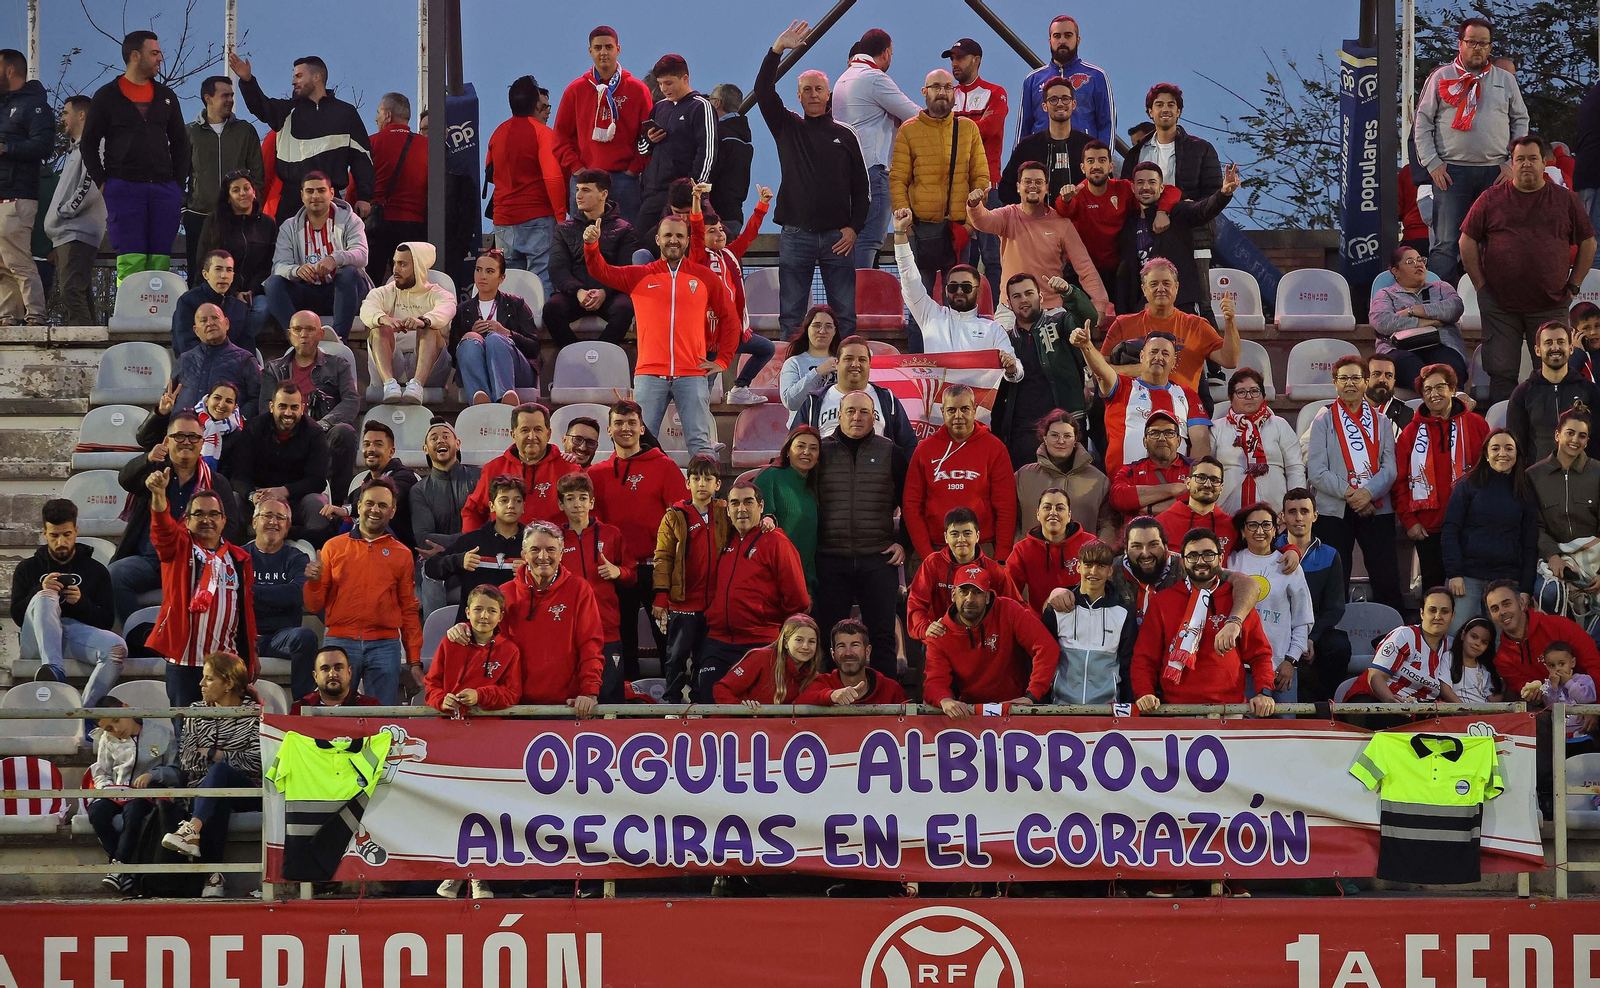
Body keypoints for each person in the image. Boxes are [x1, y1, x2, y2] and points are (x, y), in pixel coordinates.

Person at [582, 214, 740, 456]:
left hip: (692, 373)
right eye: (668, 235)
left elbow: (730, 319)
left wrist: (723, 360)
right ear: (657, 239)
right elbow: (599, 270)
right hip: (649, 373)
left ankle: (708, 495)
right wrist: (592, 246)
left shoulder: (705, 277)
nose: (673, 240)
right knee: (639, 445)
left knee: (700, 445)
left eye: (679, 236)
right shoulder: (640, 275)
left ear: (688, 241)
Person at [1462, 133, 1596, 402]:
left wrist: (1574, 285)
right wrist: (1481, 287)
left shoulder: (1565, 199)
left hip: (1550, 303)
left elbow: (1589, 242)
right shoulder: (1491, 199)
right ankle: (1503, 436)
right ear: (1511, 163)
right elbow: (1467, 240)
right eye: (1519, 159)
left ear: (1544, 162)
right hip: (1499, 306)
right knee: (1501, 374)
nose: (1526, 164)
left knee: (1553, 372)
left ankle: (1549, 436)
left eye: (1532, 158)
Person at [755, 24, 868, 334]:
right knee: (791, 317)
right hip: (796, 235)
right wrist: (776, 50)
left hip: (838, 240)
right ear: (799, 96)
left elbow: (863, 190)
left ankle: (845, 372)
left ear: (828, 94)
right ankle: (792, 374)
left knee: (844, 316)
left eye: (819, 88)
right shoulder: (787, 126)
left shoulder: (846, 135)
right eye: (807, 89)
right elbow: (763, 92)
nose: (813, 94)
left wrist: (854, 228)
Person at [1415, 18, 1529, 283]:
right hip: (1452, 173)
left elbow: (1521, 120)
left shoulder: (1505, 80)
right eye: (1472, 42)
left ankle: (1494, 305)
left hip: (1496, 173)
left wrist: (1512, 162)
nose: (1477, 48)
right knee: (1446, 244)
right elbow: (1422, 121)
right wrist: (1432, 163)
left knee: (1498, 242)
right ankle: (1441, 307)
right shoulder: (1441, 77)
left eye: (1483, 43)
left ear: (1490, 47)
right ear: (1460, 44)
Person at [1131, 528, 1276, 728]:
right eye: (1192, 555)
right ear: (1182, 561)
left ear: (1221, 557)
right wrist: (1144, 692)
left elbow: (1260, 653)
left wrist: (1263, 692)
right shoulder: (1163, 601)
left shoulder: (1238, 601)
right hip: (1176, 713)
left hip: (1230, 712)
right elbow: (1145, 656)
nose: (1200, 561)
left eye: (1208, 554)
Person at [109, 411, 242, 624]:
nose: (186, 442)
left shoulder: (217, 482)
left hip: (195, 561)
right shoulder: (153, 472)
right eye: (179, 436)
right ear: (167, 441)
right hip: (150, 559)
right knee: (114, 575)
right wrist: (148, 458)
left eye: (193, 437)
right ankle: (139, 634)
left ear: (201, 443)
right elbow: (125, 479)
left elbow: (231, 528)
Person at [813, 392, 911, 679]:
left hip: (877, 558)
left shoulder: (892, 452)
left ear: (874, 416)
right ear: (839, 415)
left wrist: (904, 543)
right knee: (831, 636)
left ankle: (886, 702)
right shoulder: (820, 451)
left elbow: (912, 502)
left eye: (864, 412)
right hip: (830, 559)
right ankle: (832, 701)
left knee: (881, 637)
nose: (857, 417)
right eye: (851, 411)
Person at [304, 478, 423, 705]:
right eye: (369, 503)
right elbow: (314, 606)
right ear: (359, 506)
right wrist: (314, 582)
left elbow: (408, 609)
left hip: (384, 644)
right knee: (334, 718)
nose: (375, 510)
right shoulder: (333, 547)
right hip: (340, 640)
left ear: (393, 511)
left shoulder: (402, 554)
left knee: (381, 718)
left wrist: (415, 661)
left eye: (382, 505)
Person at [81, 32, 188, 281]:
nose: (160, 58)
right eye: (154, 53)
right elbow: (88, 143)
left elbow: (181, 143)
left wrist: (177, 185)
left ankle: (157, 315)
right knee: (131, 259)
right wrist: (104, 182)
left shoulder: (167, 96)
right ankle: (129, 316)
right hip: (123, 188)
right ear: (135, 56)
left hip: (164, 189)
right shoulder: (107, 96)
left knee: (160, 259)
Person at [145, 469, 258, 707]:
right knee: (185, 735)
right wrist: (158, 495)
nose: (207, 519)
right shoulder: (178, 547)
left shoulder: (239, 559)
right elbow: (162, 531)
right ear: (187, 520)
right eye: (199, 514)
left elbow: (244, 612)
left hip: (225, 664)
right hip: (184, 661)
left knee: (226, 732)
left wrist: (251, 656)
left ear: (224, 520)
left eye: (214, 514)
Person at [473, 521, 604, 714]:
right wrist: (466, 630)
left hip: (567, 707)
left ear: (561, 553)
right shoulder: (506, 593)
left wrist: (590, 691)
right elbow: (486, 641)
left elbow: (590, 644)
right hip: (514, 707)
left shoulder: (579, 589)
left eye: (550, 549)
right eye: (535, 549)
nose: (543, 557)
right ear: (524, 554)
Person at [697, 481, 810, 702]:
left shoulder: (777, 542)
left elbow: (799, 600)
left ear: (761, 506)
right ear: (727, 509)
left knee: (757, 711)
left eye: (748, 502)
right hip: (717, 641)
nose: (741, 509)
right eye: (735, 503)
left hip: (761, 643)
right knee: (709, 703)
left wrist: (769, 626)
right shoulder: (722, 538)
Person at [1305, 354, 1403, 610]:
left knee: (1386, 578)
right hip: (1333, 511)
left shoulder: (1382, 422)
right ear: (1334, 382)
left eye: (1356, 378)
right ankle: (1329, 638)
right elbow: (1316, 471)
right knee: (1334, 577)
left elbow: (1390, 468)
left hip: (1377, 508)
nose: (1350, 383)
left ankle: (1393, 636)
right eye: (1343, 378)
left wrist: (1368, 493)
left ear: (1366, 381)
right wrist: (1353, 495)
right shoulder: (1323, 420)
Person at [162, 653, 262, 901]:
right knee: (217, 794)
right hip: (207, 792)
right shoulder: (196, 711)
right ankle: (213, 876)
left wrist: (214, 754)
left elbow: (257, 762)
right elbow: (186, 760)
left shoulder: (254, 714)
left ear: (228, 683)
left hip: (248, 791)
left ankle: (192, 829)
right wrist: (227, 757)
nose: (200, 684)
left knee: (220, 774)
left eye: (208, 679)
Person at [230, 52, 373, 224]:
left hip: (331, 201)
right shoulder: (285, 111)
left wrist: (365, 196)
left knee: (331, 251)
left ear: (317, 77)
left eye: (298, 76)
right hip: (292, 202)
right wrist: (248, 81)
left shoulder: (346, 113)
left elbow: (362, 158)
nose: (293, 81)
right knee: (290, 251)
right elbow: (260, 106)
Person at [889, 70, 989, 310]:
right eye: (936, 87)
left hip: (957, 232)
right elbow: (898, 179)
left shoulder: (968, 129)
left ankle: (954, 350)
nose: (942, 92)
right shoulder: (909, 130)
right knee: (917, 305)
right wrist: (908, 226)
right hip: (920, 231)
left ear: (954, 92)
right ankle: (919, 348)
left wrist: (968, 225)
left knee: (958, 305)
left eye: (947, 87)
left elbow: (981, 177)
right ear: (924, 92)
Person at [12, 499, 124, 708]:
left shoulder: (96, 570)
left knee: (117, 648)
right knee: (46, 597)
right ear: (44, 533)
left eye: (67, 534)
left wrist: (81, 603)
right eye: (54, 535)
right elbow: (18, 617)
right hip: (36, 638)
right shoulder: (27, 568)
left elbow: (106, 620)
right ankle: (53, 668)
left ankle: (86, 713)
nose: (61, 542)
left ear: (76, 531)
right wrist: (40, 589)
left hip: (75, 636)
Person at [1395, 364, 1490, 590]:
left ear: (1452, 388)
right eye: (1427, 390)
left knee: (1471, 590)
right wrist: (1410, 521)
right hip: (1429, 529)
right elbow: (1399, 482)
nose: (1434, 394)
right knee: (1435, 593)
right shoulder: (1410, 433)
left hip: (1471, 525)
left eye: (1440, 387)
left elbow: (1490, 473)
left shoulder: (1477, 424)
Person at [833, 29, 923, 267]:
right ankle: (860, 301)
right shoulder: (874, 78)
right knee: (870, 239)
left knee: (852, 239)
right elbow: (915, 115)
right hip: (873, 170)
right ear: (885, 53)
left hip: (844, 174)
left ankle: (849, 299)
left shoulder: (844, 78)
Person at [967, 168, 1108, 318]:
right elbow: (983, 221)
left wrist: (1100, 304)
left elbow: (1084, 266)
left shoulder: (1062, 224)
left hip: (1051, 310)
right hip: (1010, 310)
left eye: (1038, 182)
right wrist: (974, 205)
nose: (1032, 186)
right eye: (1027, 182)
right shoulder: (1007, 215)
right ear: (1018, 187)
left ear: (1046, 187)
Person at [1106, 163, 1240, 319]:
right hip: (1145, 309)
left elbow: (1202, 210)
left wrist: (1223, 194)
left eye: (1152, 182)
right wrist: (1123, 315)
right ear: (1133, 188)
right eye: (1140, 183)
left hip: (1182, 305)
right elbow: (1125, 275)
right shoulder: (1128, 226)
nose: (1146, 187)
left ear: (1162, 188)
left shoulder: (1176, 212)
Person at [1075, 326, 1211, 478]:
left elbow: (1201, 442)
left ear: (1174, 363)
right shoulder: (1121, 386)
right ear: (1142, 356)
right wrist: (1086, 346)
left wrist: (1193, 482)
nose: (1159, 357)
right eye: (1153, 352)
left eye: (1165, 354)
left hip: (1175, 487)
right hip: (1125, 485)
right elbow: (1101, 370)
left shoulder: (1187, 394)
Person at [552, 26, 654, 226]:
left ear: (618, 49)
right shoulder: (575, 90)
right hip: (585, 178)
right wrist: (577, 168)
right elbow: (560, 137)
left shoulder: (637, 89)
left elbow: (648, 136)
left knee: (625, 242)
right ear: (590, 51)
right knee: (582, 243)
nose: (603, 52)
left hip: (625, 179)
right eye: (598, 48)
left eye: (608, 47)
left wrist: (634, 169)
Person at [924, 566, 1058, 717]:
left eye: (977, 592)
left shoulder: (1009, 610)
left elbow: (1047, 647)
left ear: (987, 597)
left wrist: (1032, 695)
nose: (970, 598)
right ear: (953, 595)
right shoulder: (940, 633)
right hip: (969, 713)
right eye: (964, 592)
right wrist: (945, 700)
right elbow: (934, 681)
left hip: (1016, 709)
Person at [994, 274, 1098, 467]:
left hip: (1065, 427)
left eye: (1029, 293)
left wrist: (1069, 292)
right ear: (1009, 303)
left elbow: (1089, 318)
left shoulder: (1061, 322)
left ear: (1040, 297)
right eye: (1016, 296)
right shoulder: (1004, 340)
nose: (1023, 299)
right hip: (1022, 434)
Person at [905, 385, 1018, 561]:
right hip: (936, 549)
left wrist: (1002, 555)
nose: (958, 416)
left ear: (974, 409)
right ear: (943, 411)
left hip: (982, 549)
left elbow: (1006, 506)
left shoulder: (994, 448)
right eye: (951, 410)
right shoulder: (925, 450)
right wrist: (926, 554)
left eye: (965, 409)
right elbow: (911, 506)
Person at [893, 209, 1020, 363]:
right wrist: (900, 232)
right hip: (939, 387)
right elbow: (909, 278)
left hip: (978, 387)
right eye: (953, 287)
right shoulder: (931, 316)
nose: (959, 291)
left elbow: (1016, 369)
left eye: (966, 287)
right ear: (946, 290)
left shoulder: (993, 329)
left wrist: (1012, 369)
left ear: (978, 291)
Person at [1443, 429, 1539, 633]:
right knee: (1458, 636)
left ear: (1517, 454)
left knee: (1501, 645)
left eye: (1509, 448)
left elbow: (1530, 542)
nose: (1502, 453)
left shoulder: (1525, 490)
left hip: (1507, 579)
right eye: (1495, 448)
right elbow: (1450, 530)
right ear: (1486, 454)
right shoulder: (1467, 485)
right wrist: (1454, 573)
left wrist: (1526, 588)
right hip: (1468, 578)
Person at [652, 454, 730, 702]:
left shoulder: (725, 513)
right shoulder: (675, 515)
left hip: (714, 603)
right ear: (688, 483)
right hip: (683, 602)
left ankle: (700, 702)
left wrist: (769, 519)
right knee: (676, 655)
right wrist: (662, 594)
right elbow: (663, 556)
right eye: (696, 478)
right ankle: (672, 702)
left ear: (718, 484)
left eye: (708, 479)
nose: (701, 483)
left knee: (705, 657)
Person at [259, 311, 361, 500]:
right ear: (289, 334)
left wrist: (320, 425)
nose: (303, 334)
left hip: (324, 431)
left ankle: (338, 503)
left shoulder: (338, 365)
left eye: (309, 329)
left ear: (321, 334)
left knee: (344, 432)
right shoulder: (273, 369)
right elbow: (266, 407)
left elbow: (351, 401)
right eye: (297, 329)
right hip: (287, 430)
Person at [1101, 258, 1240, 395]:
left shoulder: (1197, 326)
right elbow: (1099, 370)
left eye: (1166, 283)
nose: (1161, 289)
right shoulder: (1123, 324)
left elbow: (1230, 360)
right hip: (1135, 409)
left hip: (1184, 412)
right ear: (1144, 290)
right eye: (1154, 284)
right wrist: (1139, 370)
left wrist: (1230, 322)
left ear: (1176, 287)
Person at [264, 172, 373, 342]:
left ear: (331, 193)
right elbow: (278, 265)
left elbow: (362, 255)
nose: (315, 196)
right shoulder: (289, 226)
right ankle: (296, 340)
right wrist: (296, 270)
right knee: (273, 283)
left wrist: (335, 259)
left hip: (344, 292)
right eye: (310, 191)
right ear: (302, 195)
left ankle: (339, 341)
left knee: (347, 272)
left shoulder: (351, 220)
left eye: (321, 190)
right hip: (308, 291)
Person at [1056, 140, 1177, 293]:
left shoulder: (1124, 188)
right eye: (1090, 161)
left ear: (1111, 166)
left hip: (1118, 271)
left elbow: (1171, 191)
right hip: (1082, 272)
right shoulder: (1077, 194)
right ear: (1083, 167)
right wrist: (1065, 198)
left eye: (1102, 160)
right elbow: (1062, 209)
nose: (1096, 166)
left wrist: (1162, 212)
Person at [691, 187, 775, 404]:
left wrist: (762, 206)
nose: (719, 234)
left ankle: (739, 388)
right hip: (712, 337)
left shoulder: (730, 253)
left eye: (720, 229)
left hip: (736, 331)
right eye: (712, 231)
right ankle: (702, 433)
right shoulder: (698, 257)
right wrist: (696, 201)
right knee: (705, 393)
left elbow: (749, 234)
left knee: (766, 348)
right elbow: (696, 230)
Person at [85, 697, 177, 893]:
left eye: (117, 721)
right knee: (97, 812)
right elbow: (101, 773)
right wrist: (109, 788)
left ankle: (119, 868)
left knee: (134, 810)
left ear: (126, 708)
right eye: (109, 728)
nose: (116, 730)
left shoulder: (162, 734)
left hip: (146, 794)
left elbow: (177, 772)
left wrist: (153, 775)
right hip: (115, 792)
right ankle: (121, 869)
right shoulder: (106, 739)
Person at [557, 472, 635, 700]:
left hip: (607, 629)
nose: (577, 504)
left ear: (591, 502)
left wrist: (618, 572)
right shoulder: (554, 539)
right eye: (570, 498)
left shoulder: (611, 534)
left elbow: (632, 576)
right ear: (560, 504)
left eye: (582, 497)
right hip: (568, 633)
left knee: (610, 697)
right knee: (574, 699)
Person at [486, 76, 566, 293]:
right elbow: (553, 178)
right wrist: (561, 216)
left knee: (510, 285)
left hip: (503, 221)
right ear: (536, 104)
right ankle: (539, 327)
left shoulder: (497, 133)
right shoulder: (542, 133)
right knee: (540, 284)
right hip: (537, 218)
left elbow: (490, 172)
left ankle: (509, 327)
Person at [1228, 502, 1313, 704]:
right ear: (1242, 531)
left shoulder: (1288, 563)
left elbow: (1303, 620)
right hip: (1242, 667)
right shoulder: (1232, 562)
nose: (1260, 531)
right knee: (1246, 731)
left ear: (1275, 529)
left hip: (1281, 668)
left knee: (1285, 730)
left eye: (1266, 525)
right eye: (1253, 525)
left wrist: (1291, 660)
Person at [544, 169, 640, 349]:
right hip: (575, 294)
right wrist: (579, 291)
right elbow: (558, 269)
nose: (578, 195)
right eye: (578, 189)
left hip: (609, 294)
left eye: (586, 190)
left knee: (626, 308)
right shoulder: (564, 229)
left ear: (604, 194)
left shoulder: (625, 229)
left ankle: (600, 354)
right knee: (551, 310)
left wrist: (604, 291)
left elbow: (625, 269)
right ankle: (573, 354)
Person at [229, 382, 334, 542]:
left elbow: (317, 481)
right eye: (282, 406)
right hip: (257, 497)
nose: (288, 413)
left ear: (302, 407)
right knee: (234, 499)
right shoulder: (253, 428)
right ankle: (231, 556)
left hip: (295, 499)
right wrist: (252, 495)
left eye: (294, 407)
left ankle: (318, 557)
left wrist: (284, 491)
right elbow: (238, 475)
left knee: (317, 503)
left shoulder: (314, 433)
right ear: (271, 406)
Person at [184, 75, 262, 288]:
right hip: (199, 216)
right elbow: (179, 173)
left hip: (236, 217)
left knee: (233, 274)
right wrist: (184, 209)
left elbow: (257, 175)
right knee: (199, 274)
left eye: (232, 95)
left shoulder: (245, 131)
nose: (230, 100)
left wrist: (253, 208)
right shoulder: (190, 132)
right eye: (225, 95)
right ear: (208, 98)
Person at [1277, 488, 1353, 701]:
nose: (1298, 517)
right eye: (1292, 512)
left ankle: (1327, 703)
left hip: (1316, 631)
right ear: (1282, 516)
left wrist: (1311, 637)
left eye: (1304, 511)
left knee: (1338, 646)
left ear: (1315, 515)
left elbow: (1335, 607)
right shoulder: (1272, 552)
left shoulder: (1330, 555)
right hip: (1278, 630)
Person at [788, 335, 919, 456]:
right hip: (828, 478)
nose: (855, 364)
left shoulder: (887, 399)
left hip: (876, 477)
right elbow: (793, 447)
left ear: (869, 364)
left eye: (862, 359)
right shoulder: (814, 402)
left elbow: (908, 445)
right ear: (837, 363)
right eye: (848, 358)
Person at [361, 241, 456, 405]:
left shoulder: (440, 293)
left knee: (430, 328)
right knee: (378, 327)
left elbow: (447, 310)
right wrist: (385, 319)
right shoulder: (384, 292)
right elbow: (366, 309)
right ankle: (389, 384)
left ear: (418, 267)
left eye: (403, 264)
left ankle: (417, 385)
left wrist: (423, 321)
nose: (395, 270)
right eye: (395, 263)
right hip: (392, 363)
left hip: (430, 368)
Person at [1043, 538, 1137, 703]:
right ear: (1078, 566)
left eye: (1101, 566)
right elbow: (1043, 660)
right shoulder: (1059, 608)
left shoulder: (1123, 613)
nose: (1093, 572)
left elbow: (1127, 665)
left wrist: (1129, 706)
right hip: (1061, 709)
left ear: (1110, 571)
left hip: (1107, 711)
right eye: (1088, 565)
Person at [461, 402, 580, 529]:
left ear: (548, 434)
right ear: (513, 435)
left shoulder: (569, 469)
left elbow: (582, 513)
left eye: (538, 429)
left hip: (553, 546)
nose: (532, 436)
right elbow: (473, 511)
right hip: (505, 546)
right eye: (525, 430)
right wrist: (475, 544)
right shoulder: (494, 468)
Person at [909, 506, 1021, 640]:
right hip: (942, 638)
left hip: (983, 642)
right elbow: (916, 604)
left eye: (967, 533)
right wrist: (925, 628)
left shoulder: (994, 570)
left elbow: (1017, 607)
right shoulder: (932, 564)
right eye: (955, 534)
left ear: (977, 536)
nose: (961, 539)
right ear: (946, 537)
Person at [1529, 410, 1600, 621]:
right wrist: (1552, 556)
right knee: (1550, 594)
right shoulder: (1534, 475)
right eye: (1570, 433)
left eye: (1582, 436)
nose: (1575, 440)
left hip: (1595, 557)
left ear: (1587, 441)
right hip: (1554, 559)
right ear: (1557, 435)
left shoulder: (1597, 472)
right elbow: (1535, 525)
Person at [635, 54, 716, 238]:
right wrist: (649, 140)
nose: (664, 89)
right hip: (653, 192)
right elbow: (642, 149)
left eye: (669, 83)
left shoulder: (701, 106)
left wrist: (692, 190)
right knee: (640, 243)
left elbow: (708, 151)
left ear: (685, 78)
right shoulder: (659, 107)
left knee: (681, 246)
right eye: (660, 83)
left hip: (683, 197)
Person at [427, 475, 526, 623]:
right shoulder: (472, 541)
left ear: (524, 506)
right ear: (492, 506)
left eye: (517, 501)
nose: (511, 505)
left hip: (516, 627)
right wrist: (459, 561)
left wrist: (532, 572)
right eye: (504, 500)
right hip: (472, 630)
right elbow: (431, 568)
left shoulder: (532, 543)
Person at [245, 497, 317, 700]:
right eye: (267, 515)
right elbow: (233, 597)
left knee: (306, 637)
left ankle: (303, 706)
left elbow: (296, 595)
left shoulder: (297, 557)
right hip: (246, 637)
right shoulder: (239, 556)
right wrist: (278, 595)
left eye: (280, 517)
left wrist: (251, 592)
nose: (273, 522)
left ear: (287, 527)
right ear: (254, 522)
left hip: (282, 637)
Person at [1368, 245, 1470, 387]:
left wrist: (1413, 310)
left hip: (1442, 344)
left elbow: (1455, 308)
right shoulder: (1385, 294)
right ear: (1395, 271)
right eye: (1410, 262)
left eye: (1420, 260)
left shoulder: (1441, 287)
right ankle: (1434, 400)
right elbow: (1382, 321)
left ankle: (1452, 403)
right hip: (1399, 349)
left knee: (1448, 370)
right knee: (1413, 370)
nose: (1418, 264)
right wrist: (1430, 322)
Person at [43, 94, 104, 327]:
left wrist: (63, 214)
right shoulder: (76, 151)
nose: (62, 118)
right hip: (67, 233)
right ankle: (88, 342)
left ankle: (83, 345)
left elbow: (90, 186)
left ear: (82, 115)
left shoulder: (95, 145)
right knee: (80, 291)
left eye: (66, 113)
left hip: (78, 232)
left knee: (71, 291)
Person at [0, 48, 49, 325]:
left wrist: (5, 148)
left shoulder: (34, 105)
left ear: (9, 70)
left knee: (17, 260)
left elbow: (43, 145)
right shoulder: (3, 106)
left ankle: (36, 316)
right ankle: (8, 315)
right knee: (2, 264)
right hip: (2, 194)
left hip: (18, 195)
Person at [1213, 368, 1305, 513]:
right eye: (1241, 392)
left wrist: (1294, 509)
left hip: (1275, 513)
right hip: (1225, 514)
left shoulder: (1279, 424)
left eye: (1254, 391)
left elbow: (1295, 468)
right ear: (1231, 397)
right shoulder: (1217, 428)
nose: (1249, 396)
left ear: (1263, 396)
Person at [1015, 410, 1114, 543]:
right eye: (1054, 435)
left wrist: (1096, 553)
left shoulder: (1098, 481)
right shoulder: (1023, 476)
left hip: (1081, 560)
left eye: (1067, 436)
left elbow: (1108, 524)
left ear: (1075, 439)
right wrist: (1018, 545)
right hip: (1032, 559)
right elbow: (1010, 519)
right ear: (1045, 438)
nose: (1061, 441)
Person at [198, 171, 276, 339]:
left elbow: (269, 264)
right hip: (221, 290)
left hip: (255, 292)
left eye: (246, 188)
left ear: (254, 192)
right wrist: (233, 292)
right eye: (236, 190)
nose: (243, 193)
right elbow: (204, 260)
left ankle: (232, 346)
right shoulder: (214, 222)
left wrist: (251, 291)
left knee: (263, 309)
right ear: (227, 197)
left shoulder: (267, 223)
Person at [1508, 321, 1600, 463]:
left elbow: (1597, 442)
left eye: (1561, 342)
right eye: (1548, 343)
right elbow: (1517, 446)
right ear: (1537, 350)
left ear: (1571, 348)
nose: (1555, 347)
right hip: (1537, 479)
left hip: (1582, 479)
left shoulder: (1590, 390)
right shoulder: (1522, 394)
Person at [410, 417, 480, 602]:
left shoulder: (479, 477)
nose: (440, 440)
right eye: (433, 438)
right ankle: (435, 632)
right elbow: (424, 538)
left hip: (477, 556)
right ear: (425, 449)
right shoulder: (419, 490)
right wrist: (466, 541)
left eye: (445, 436)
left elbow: (489, 528)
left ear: (457, 444)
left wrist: (448, 546)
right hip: (438, 560)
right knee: (430, 570)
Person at [1016, 15, 1115, 145]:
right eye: (1057, 36)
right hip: (1041, 157)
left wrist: (1103, 159)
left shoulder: (1096, 76)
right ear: (1050, 40)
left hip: (1083, 156)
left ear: (1078, 40)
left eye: (1068, 35)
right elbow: (1023, 127)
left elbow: (1107, 123)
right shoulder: (1033, 79)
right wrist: (1020, 163)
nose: (1062, 41)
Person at [366, 92, 429, 287]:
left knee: (371, 282)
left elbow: (357, 185)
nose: (376, 117)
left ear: (388, 115)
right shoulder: (427, 146)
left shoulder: (372, 143)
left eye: (378, 112)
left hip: (377, 224)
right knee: (411, 282)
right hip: (414, 225)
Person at [325, 420, 419, 547]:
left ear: (391, 451)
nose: (371, 449)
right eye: (366, 444)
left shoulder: (404, 476)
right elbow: (334, 528)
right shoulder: (358, 492)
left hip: (394, 553)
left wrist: (347, 510)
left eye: (378, 444)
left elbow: (388, 496)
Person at [999, 78, 1089, 208]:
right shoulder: (1027, 147)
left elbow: (1104, 188)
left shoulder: (1088, 146)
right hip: (1036, 225)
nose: (1059, 104)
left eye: (1065, 98)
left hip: (1079, 224)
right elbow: (1005, 190)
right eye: (1053, 99)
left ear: (1073, 104)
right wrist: (1031, 211)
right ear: (1044, 106)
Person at [1005, 487, 1097, 610]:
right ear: (1038, 514)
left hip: (1082, 620)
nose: (1053, 512)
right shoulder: (1022, 550)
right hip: (1038, 623)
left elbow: (1103, 587)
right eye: (1047, 507)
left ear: (1069, 515)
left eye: (1060, 508)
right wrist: (1029, 618)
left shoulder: (1089, 544)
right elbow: (1008, 596)